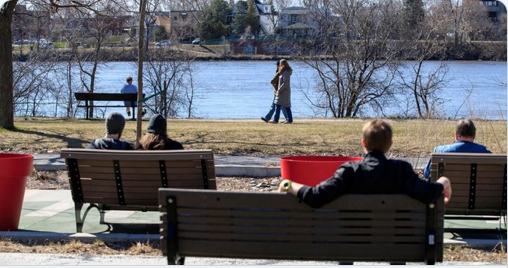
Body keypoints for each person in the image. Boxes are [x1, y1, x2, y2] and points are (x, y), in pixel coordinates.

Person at [278, 119, 452, 209]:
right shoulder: (400, 171)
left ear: (363, 143)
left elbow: (316, 197)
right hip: (395, 242)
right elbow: (427, 194)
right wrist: (443, 181)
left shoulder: (349, 172)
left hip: (350, 242)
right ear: (390, 144)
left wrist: (288, 184)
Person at [423, 119, 491, 180]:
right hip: (477, 193)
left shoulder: (439, 151)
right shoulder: (484, 152)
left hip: (445, 193)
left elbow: (426, 174)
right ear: (474, 135)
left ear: (456, 134)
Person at [272, 59, 294, 124]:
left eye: (280, 64)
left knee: (287, 106)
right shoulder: (282, 72)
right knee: (278, 105)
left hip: (284, 92)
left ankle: (289, 120)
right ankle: (276, 120)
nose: (279, 65)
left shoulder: (286, 73)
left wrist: (279, 89)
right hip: (281, 92)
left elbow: (285, 83)